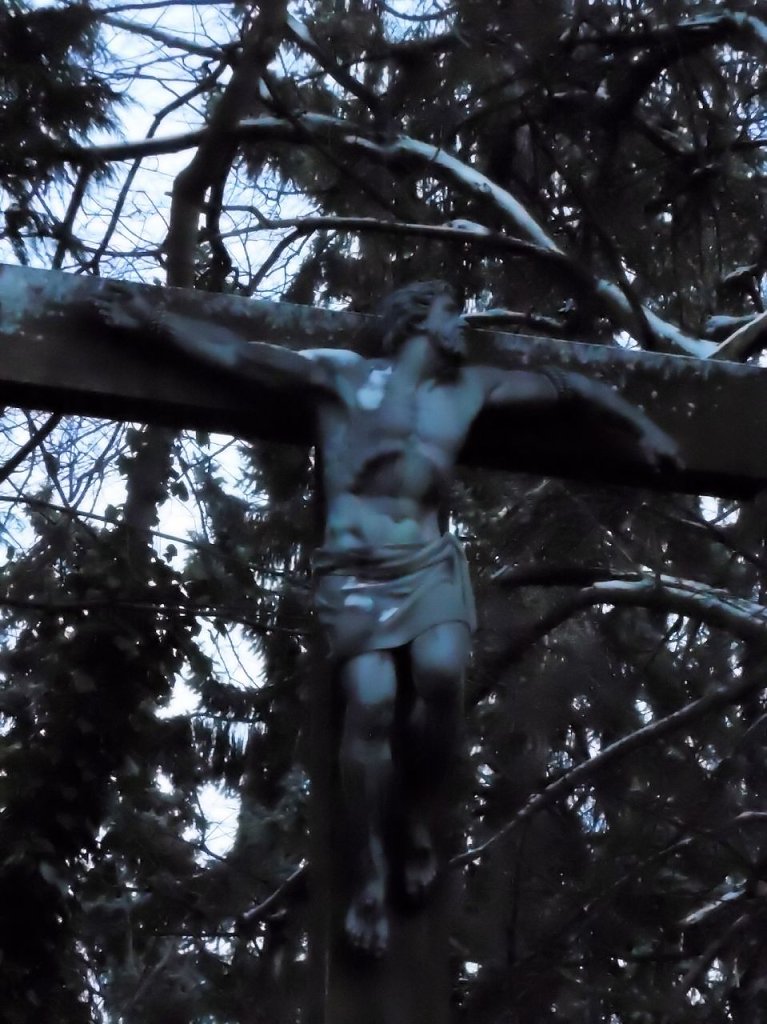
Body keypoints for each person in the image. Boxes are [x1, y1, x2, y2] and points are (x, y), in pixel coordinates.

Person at [95, 280, 680, 956]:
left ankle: (413, 817)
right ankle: (370, 869)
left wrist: (645, 427)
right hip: (355, 572)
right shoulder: (343, 378)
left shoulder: (466, 391)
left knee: (441, 677)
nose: (462, 328)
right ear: (416, 320)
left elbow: (567, 385)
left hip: (429, 564)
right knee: (369, 705)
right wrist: (153, 324)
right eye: (452, 313)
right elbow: (239, 355)